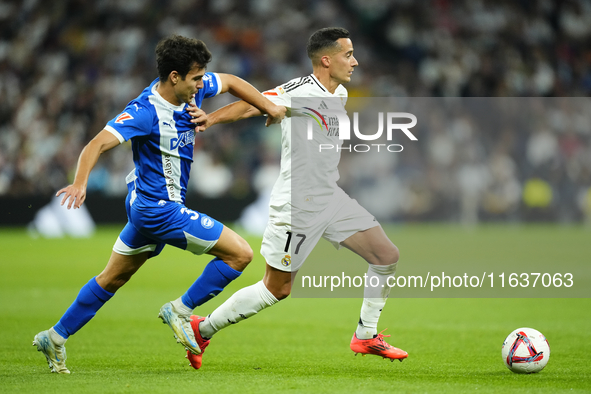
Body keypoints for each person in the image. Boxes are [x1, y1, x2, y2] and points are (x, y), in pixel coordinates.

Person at [32, 35, 286, 374]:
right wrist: (80, 183)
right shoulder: (144, 111)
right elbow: (96, 143)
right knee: (240, 253)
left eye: (202, 77)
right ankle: (180, 310)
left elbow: (232, 82)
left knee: (111, 278)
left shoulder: (188, 91)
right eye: (196, 78)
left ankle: (55, 336)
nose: (201, 85)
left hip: (143, 205)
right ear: (175, 77)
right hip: (159, 209)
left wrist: (268, 107)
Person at [183, 27, 408, 370]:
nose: (355, 62)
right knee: (276, 289)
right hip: (296, 205)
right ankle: (204, 327)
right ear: (326, 59)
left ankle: (365, 334)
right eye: (348, 55)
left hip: (330, 198)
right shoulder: (299, 91)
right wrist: (210, 119)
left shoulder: (340, 95)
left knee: (386, 255)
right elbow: (251, 105)